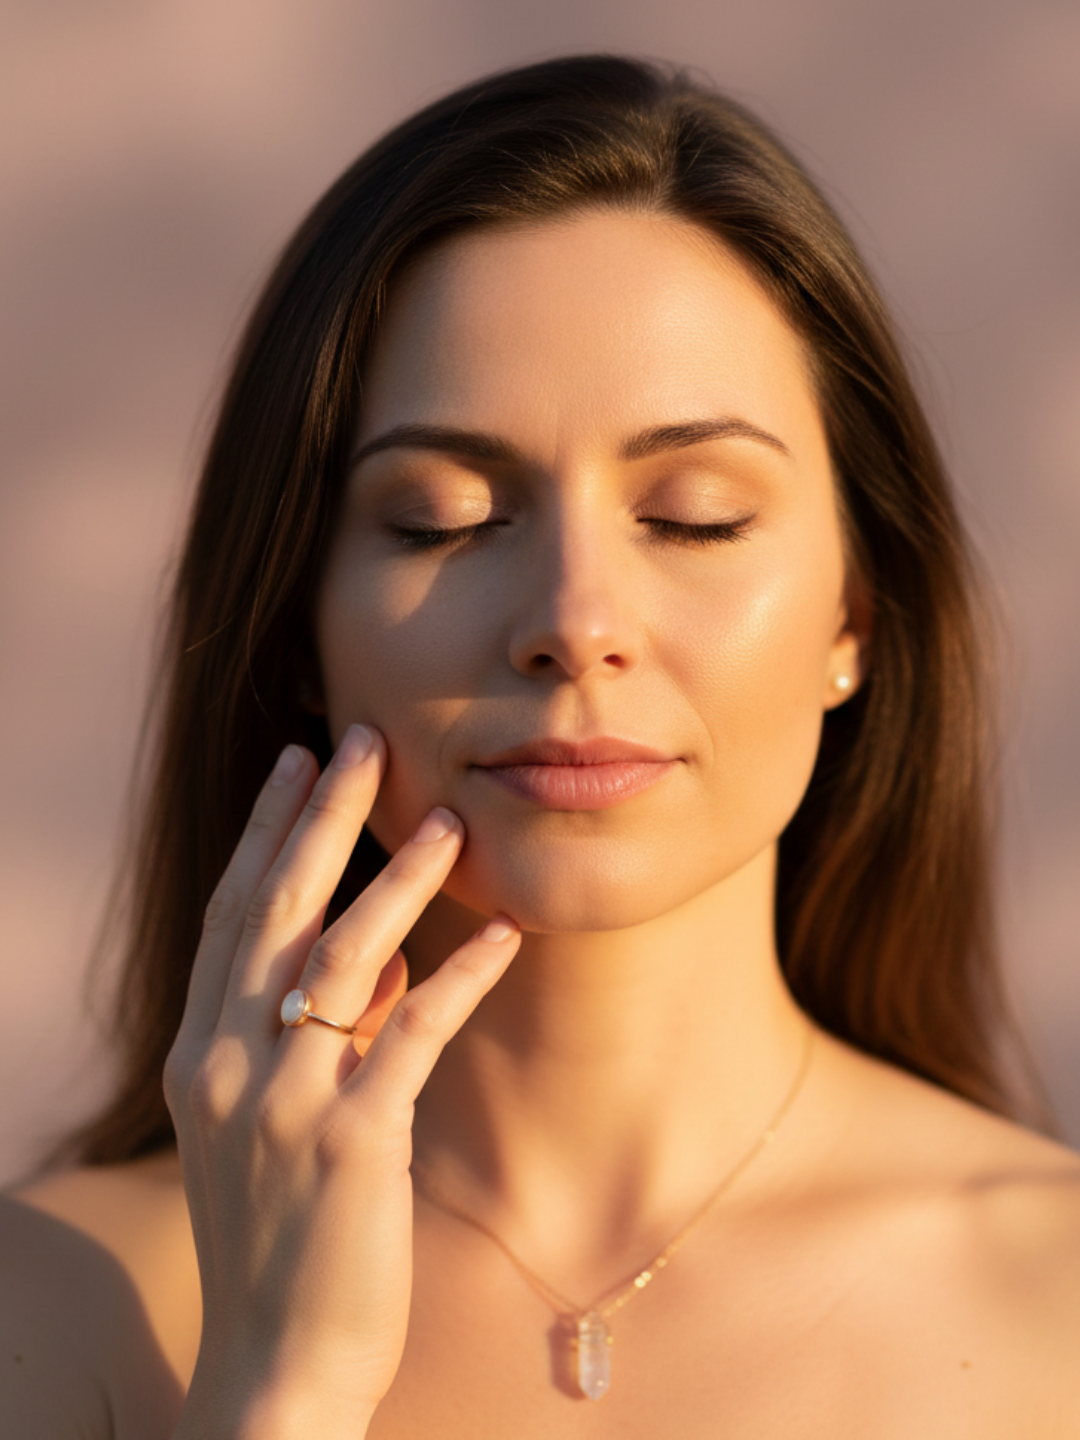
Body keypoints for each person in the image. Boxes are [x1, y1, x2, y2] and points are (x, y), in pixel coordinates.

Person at [3, 53, 1079, 1439]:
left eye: (694, 515)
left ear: (854, 614)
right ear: (295, 627)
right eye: (443, 517)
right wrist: (280, 1389)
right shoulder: (53, 1309)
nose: (576, 625)